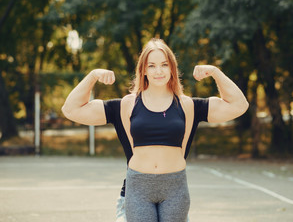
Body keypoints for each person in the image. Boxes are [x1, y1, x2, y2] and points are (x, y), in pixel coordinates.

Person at [62, 38, 249, 222]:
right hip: (138, 188)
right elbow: (71, 109)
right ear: (143, 70)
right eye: (151, 65)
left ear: (172, 68)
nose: (158, 71)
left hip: (175, 187)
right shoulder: (127, 105)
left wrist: (216, 72)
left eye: (164, 64)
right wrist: (93, 75)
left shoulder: (188, 105)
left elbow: (239, 105)